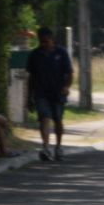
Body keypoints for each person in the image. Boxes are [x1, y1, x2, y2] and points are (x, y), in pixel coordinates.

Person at [25, 27, 74, 161]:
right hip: (41, 92)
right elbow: (31, 77)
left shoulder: (61, 53)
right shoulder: (35, 54)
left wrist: (66, 87)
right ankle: (46, 147)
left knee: (58, 119)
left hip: (58, 92)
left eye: (46, 41)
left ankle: (58, 147)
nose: (43, 44)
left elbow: (69, 73)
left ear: (52, 40)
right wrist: (29, 97)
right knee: (44, 117)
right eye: (41, 41)